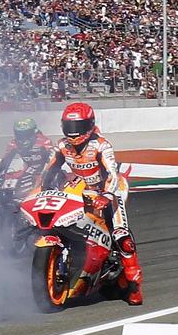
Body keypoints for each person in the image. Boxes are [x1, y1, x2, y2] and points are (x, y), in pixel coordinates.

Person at [41, 101, 143, 305]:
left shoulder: (101, 145)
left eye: (78, 128)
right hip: (80, 189)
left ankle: (134, 288)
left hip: (109, 189)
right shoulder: (62, 146)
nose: (73, 133)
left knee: (121, 236)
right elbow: (48, 171)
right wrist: (44, 188)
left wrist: (106, 195)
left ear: (89, 125)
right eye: (69, 128)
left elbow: (113, 174)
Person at [0, 116, 52, 196]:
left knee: (54, 178)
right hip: (29, 169)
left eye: (26, 134)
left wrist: (43, 176)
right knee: (9, 180)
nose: (23, 138)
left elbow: (52, 160)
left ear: (34, 132)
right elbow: (5, 162)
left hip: (45, 169)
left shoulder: (44, 141)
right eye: (20, 134)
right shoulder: (13, 143)